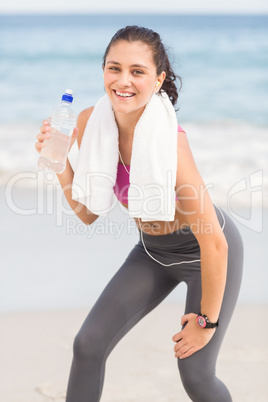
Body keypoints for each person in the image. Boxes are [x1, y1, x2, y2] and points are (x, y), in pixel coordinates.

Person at [35, 25, 244, 402]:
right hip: (152, 251)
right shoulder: (89, 124)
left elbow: (215, 245)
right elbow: (86, 213)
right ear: (102, 72)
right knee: (88, 344)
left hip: (205, 253)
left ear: (158, 78)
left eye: (137, 71)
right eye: (114, 68)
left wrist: (205, 323)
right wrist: (60, 162)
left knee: (195, 373)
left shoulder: (171, 145)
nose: (123, 81)